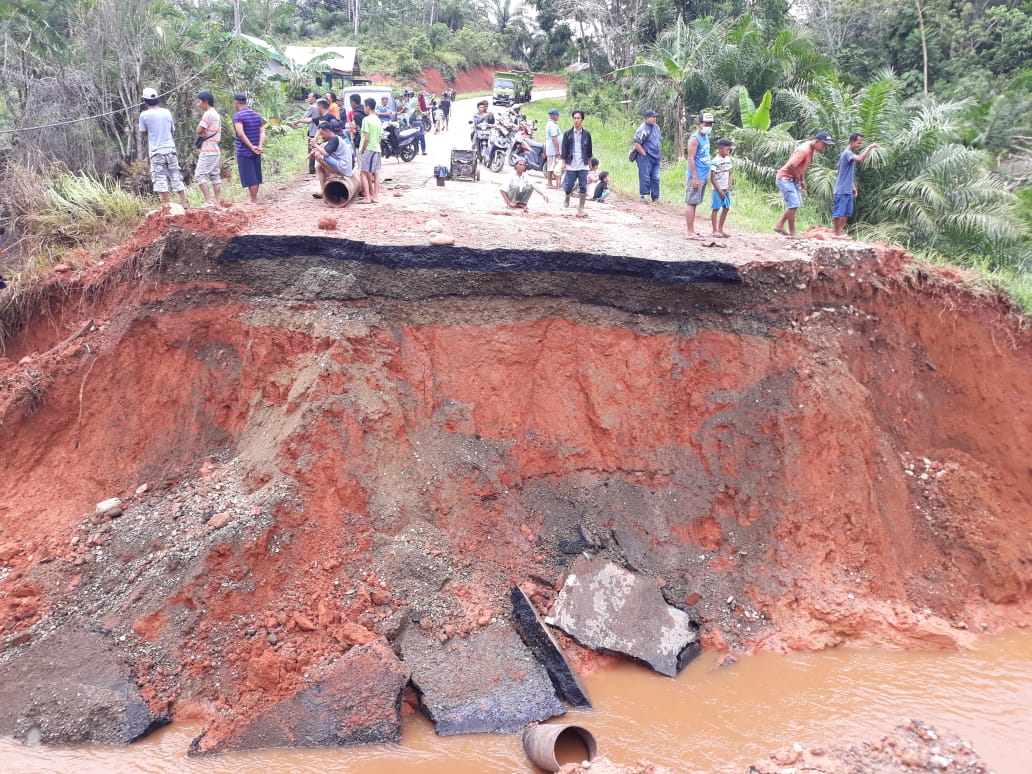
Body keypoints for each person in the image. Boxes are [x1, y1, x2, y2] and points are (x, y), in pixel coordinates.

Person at [774, 131, 835, 236]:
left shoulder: (810, 149)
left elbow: (800, 167)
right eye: (824, 145)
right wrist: (798, 177)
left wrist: (802, 180)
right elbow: (791, 165)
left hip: (791, 179)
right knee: (793, 204)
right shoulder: (804, 150)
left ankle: (779, 225)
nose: (825, 148)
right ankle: (792, 233)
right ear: (817, 141)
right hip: (785, 178)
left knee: (796, 203)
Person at [138, 87, 188, 209]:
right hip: (170, 149)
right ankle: (183, 203)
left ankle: (167, 205)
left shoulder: (144, 115)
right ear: (157, 99)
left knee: (160, 178)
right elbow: (172, 130)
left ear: (145, 101)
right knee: (175, 174)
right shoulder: (167, 112)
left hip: (156, 152)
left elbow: (143, 133)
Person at [833, 132, 880, 236]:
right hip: (841, 190)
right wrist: (870, 147)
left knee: (847, 212)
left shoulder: (850, 154)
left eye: (861, 144)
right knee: (839, 213)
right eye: (858, 143)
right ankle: (836, 233)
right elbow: (860, 159)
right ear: (851, 142)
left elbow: (846, 174)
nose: (859, 146)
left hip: (847, 190)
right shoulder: (847, 153)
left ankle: (840, 231)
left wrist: (852, 186)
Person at [232, 93, 266, 204]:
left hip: (244, 150)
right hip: (256, 150)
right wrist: (259, 146)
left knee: (249, 176)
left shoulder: (238, 116)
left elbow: (240, 134)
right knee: (255, 175)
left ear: (236, 102)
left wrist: (251, 147)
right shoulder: (256, 115)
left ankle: (253, 200)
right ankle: (253, 199)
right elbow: (262, 131)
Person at [684, 112, 714, 238]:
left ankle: (692, 230)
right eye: (706, 123)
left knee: (695, 202)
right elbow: (691, 159)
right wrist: (695, 177)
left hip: (703, 175)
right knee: (691, 202)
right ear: (699, 124)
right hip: (696, 176)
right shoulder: (694, 139)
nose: (708, 126)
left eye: (710, 124)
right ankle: (689, 231)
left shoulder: (705, 137)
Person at [309, 118, 353, 198]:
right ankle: (323, 190)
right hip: (343, 165)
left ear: (328, 131)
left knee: (318, 155)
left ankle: (335, 174)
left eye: (322, 134)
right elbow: (324, 150)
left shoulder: (334, 139)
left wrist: (315, 145)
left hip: (343, 166)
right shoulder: (333, 139)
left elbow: (325, 154)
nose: (322, 136)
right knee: (319, 166)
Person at [560, 109, 593, 215]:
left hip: (583, 164)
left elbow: (589, 150)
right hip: (571, 163)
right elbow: (564, 149)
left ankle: (581, 207)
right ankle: (567, 196)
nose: (576, 120)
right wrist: (563, 163)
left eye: (578, 118)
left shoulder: (587, 134)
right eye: (574, 118)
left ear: (582, 120)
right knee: (569, 185)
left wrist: (589, 162)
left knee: (583, 186)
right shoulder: (567, 134)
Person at [194, 91, 222, 208]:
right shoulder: (216, 114)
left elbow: (199, 129)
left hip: (208, 150)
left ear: (205, 102)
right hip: (215, 150)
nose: (198, 104)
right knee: (215, 175)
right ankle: (217, 201)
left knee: (200, 175)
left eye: (199, 102)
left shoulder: (208, 114)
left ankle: (208, 201)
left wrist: (200, 132)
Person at [633, 109, 662, 203]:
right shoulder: (642, 128)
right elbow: (637, 144)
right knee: (645, 176)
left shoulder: (657, 127)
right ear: (647, 118)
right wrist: (644, 154)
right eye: (652, 117)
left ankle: (655, 197)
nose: (654, 119)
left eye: (655, 117)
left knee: (655, 177)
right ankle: (644, 195)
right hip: (646, 157)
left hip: (656, 157)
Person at [359, 97, 382, 204]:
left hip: (369, 148)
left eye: (364, 106)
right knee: (376, 173)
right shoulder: (378, 119)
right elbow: (380, 137)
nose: (364, 108)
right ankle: (375, 196)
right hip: (377, 148)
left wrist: (363, 150)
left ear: (368, 106)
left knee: (363, 172)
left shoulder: (366, 120)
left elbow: (366, 137)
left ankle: (368, 197)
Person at [709, 138, 734, 237]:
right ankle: (714, 230)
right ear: (720, 148)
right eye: (728, 149)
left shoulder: (728, 159)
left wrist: (729, 184)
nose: (729, 151)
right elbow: (712, 177)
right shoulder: (715, 161)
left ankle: (721, 229)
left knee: (726, 208)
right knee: (715, 208)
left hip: (726, 189)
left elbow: (729, 172)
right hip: (717, 189)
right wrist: (719, 191)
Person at [293, 92, 321, 174]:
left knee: (311, 149)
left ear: (314, 98)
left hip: (313, 132)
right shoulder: (321, 106)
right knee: (319, 148)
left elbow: (305, 118)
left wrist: (297, 122)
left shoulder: (312, 107)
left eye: (309, 97)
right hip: (321, 132)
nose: (308, 99)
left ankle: (312, 169)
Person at [544, 108, 561, 189]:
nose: (558, 116)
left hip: (550, 148)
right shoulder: (552, 125)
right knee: (551, 166)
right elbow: (554, 138)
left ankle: (550, 183)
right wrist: (557, 150)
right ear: (553, 115)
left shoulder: (551, 124)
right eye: (557, 115)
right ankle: (550, 183)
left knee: (551, 165)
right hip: (552, 148)